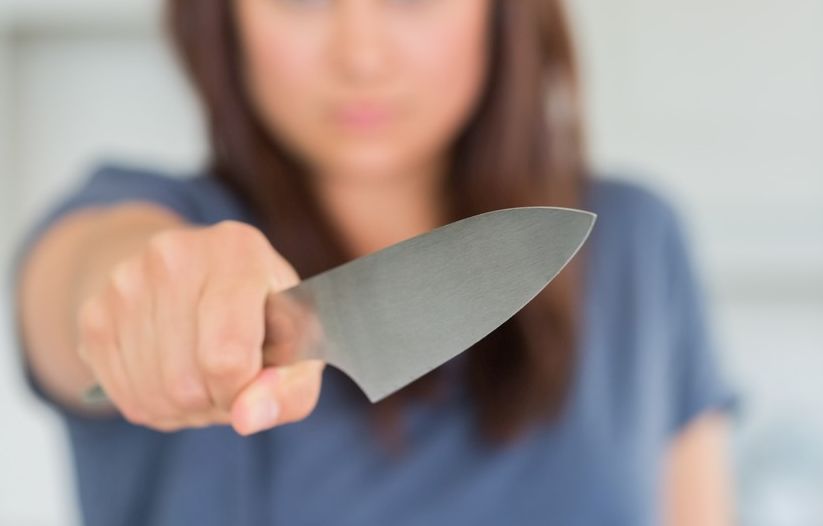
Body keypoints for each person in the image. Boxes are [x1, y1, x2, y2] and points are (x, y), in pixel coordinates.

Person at [9, 0, 739, 524]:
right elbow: (87, 285)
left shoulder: (638, 245)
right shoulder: (156, 218)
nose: (360, 54)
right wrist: (149, 307)